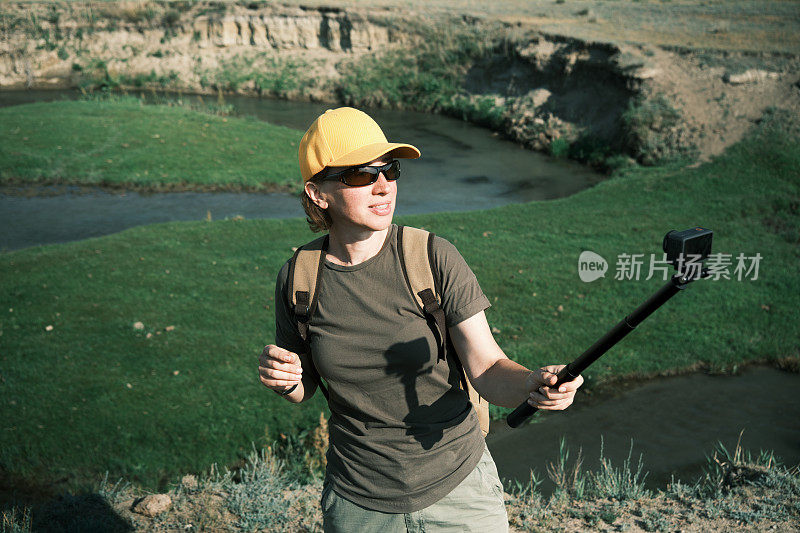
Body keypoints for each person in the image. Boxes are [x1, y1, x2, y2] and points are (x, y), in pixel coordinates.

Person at [259, 107, 583, 532]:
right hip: (358, 504)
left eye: (389, 170)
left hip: (459, 490)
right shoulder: (299, 278)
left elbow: (485, 368)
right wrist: (287, 380)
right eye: (360, 174)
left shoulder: (432, 258)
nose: (382, 187)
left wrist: (531, 383)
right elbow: (306, 387)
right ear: (318, 194)